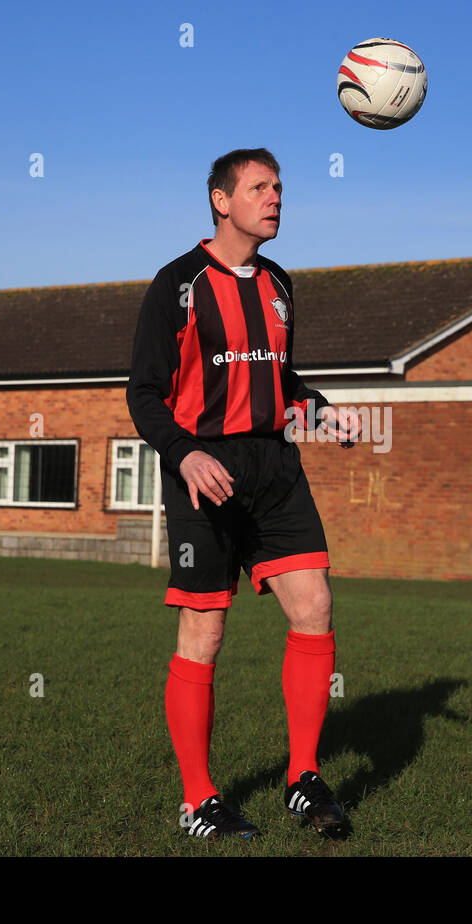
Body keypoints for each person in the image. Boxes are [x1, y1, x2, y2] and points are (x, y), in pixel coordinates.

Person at [126, 148, 363, 841]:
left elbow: (280, 380)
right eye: (260, 187)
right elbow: (142, 393)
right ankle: (199, 798)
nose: (275, 197)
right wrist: (186, 452)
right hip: (206, 469)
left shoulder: (280, 284)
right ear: (219, 200)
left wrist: (321, 409)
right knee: (206, 629)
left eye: (280, 187)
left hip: (274, 465)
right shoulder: (177, 284)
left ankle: (303, 777)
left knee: (315, 602)